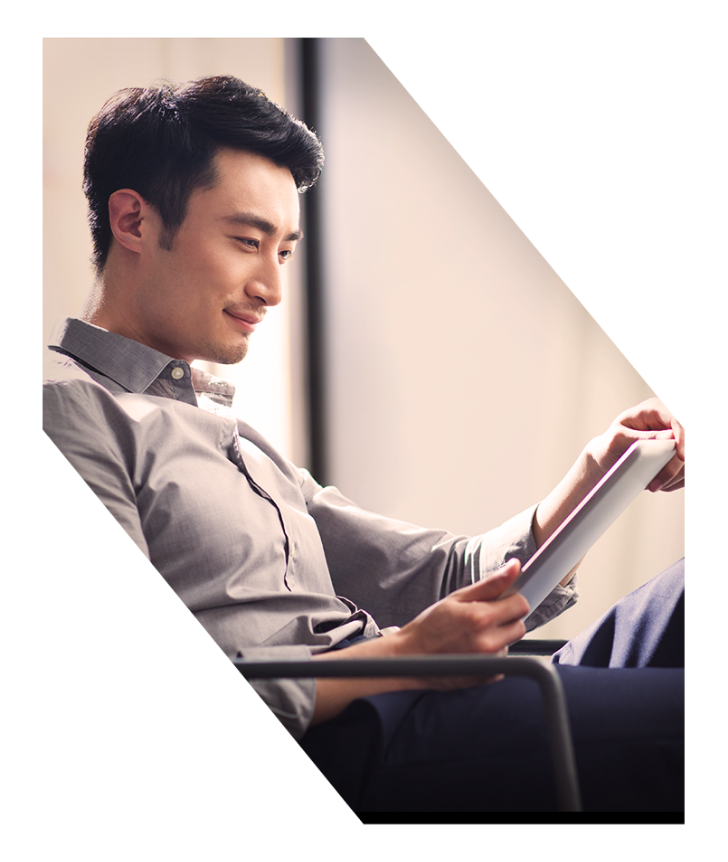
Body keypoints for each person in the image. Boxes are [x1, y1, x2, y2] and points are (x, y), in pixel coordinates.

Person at [42, 76, 685, 813]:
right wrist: (411, 656)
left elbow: (444, 575)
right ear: (132, 220)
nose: (271, 287)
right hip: (363, 741)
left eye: (283, 251)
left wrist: (592, 483)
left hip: (436, 705)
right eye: (248, 242)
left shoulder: (234, 434)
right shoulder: (68, 409)